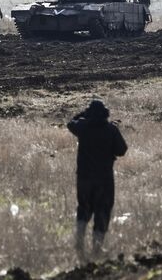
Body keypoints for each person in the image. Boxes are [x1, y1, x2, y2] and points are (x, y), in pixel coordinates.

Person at [67, 100, 128, 259]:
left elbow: (70, 123)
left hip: (84, 178)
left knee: (83, 208)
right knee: (103, 211)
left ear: (90, 114)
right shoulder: (111, 129)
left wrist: (83, 114)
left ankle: (79, 241)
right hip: (104, 180)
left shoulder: (82, 127)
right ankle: (97, 249)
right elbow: (121, 150)